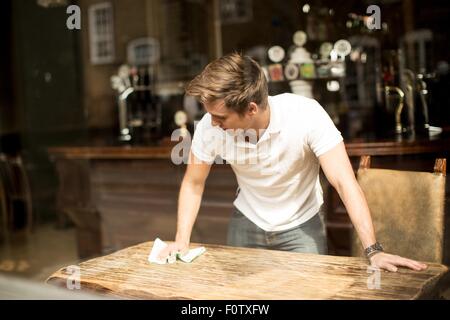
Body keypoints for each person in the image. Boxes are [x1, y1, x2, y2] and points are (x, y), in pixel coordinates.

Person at [159, 52, 427, 272]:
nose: (213, 123)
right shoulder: (210, 125)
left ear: (251, 109)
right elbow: (193, 183)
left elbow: (344, 182)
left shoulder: (305, 115)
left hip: (302, 226)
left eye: (222, 117)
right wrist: (182, 240)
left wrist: (373, 250)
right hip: (247, 222)